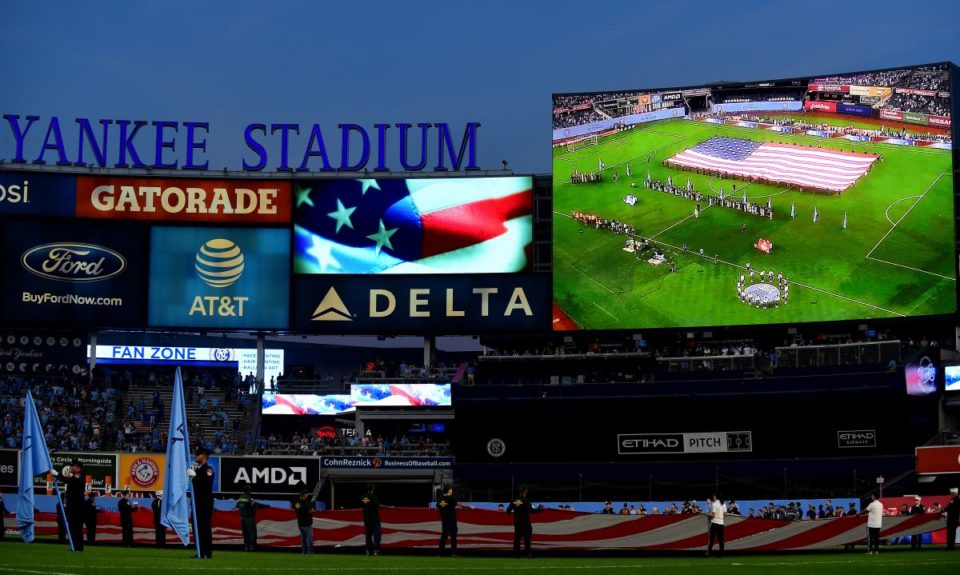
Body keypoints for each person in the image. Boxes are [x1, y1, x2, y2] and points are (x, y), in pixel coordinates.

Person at [188, 448, 215, 558]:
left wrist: (194, 476)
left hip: (204, 504)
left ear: (204, 456)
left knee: (204, 528)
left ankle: (207, 552)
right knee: (196, 529)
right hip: (197, 503)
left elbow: (206, 484)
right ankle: (200, 551)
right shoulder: (198, 470)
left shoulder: (208, 469)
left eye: (198, 454)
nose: (196, 456)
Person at [506, 487, 540, 558]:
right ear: (525, 492)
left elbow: (508, 511)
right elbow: (531, 511)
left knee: (517, 539)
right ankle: (528, 554)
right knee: (527, 539)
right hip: (526, 523)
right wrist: (540, 509)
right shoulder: (526, 500)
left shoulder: (514, 500)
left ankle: (516, 554)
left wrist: (516, 512)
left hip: (517, 523)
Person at [62, 460, 85, 551]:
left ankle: (78, 547)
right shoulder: (74, 477)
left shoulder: (78, 476)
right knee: (73, 528)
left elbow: (69, 480)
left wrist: (57, 475)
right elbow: (68, 480)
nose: (71, 468)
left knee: (76, 528)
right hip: (74, 506)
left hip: (76, 507)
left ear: (77, 467)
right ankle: (76, 547)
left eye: (72, 466)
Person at [237, 484, 265, 551]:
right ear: (248, 491)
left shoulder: (240, 498)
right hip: (249, 518)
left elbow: (237, 506)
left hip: (242, 518)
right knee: (252, 533)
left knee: (245, 533)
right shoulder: (248, 499)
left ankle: (247, 547)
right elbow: (255, 504)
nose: (251, 491)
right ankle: (253, 547)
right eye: (250, 490)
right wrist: (266, 506)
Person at [436, 485, 460, 557]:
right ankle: (453, 553)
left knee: (443, 537)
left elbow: (437, 509)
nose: (452, 491)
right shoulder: (451, 498)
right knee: (453, 537)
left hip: (444, 521)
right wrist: (470, 506)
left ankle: (439, 554)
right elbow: (458, 503)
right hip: (452, 521)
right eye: (451, 490)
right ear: (449, 490)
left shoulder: (440, 499)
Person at [361, 484, 382, 555]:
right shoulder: (373, 497)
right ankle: (376, 550)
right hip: (375, 520)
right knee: (377, 536)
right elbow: (378, 505)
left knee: (368, 536)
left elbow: (364, 505)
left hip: (366, 520)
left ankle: (368, 550)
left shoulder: (363, 497)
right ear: (373, 489)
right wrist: (389, 506)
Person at [293, 489, 314, 554]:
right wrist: (312, 507)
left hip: (300, 523)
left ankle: (304, 551)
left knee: (303, 538)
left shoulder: (297, 503)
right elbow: (310, 510)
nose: (307, 495)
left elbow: (298, 509)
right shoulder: (306, 503)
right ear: (304, 495)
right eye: (307, 494)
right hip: (307, 523)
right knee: (309, 538)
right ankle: (310, 551)